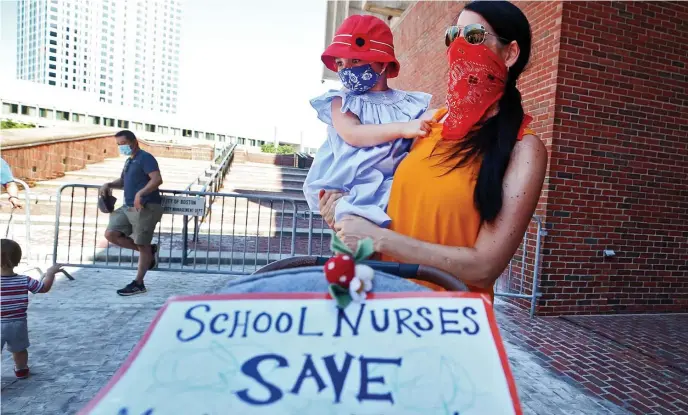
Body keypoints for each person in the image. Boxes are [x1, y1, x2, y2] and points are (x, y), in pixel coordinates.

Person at [320, 1, 548, 301]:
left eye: (475, 36)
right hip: (382, 305)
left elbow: (484, 266)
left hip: (447, 323)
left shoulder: (524, 149)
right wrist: (342, 209)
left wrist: (378, 238)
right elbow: (381, 195)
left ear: (510, 53)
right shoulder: (428, 123)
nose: (459, 46)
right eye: (453, 36)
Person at [303, 14, 433, 228]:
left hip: (392, 186)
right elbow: (352, 134)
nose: (347, 69)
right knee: (357, 246)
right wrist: (402, 128)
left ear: (382, 62)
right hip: (351, 187)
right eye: (340, 63)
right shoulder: (342, 100)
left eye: (355, 60)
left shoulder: (408, 104)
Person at [99, 130, 164, 296]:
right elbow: (123, 181)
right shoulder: (129, 161)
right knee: (111, 234)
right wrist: (109, 184)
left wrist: (140, 193)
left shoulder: (145, 158)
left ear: (134, 142)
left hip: (146, 207)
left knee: (142, 244)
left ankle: (139, 283)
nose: (121, 148)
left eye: (123, 144)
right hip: (128, 206)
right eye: (119, 145)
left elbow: (157, 179)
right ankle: (150, 251)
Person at [1, 238, 62, 379]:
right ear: (17, 259)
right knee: (19, 349)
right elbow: (43, 288)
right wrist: (50, 273)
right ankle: (21, 369)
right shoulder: (24, 280)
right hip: (17, 323)